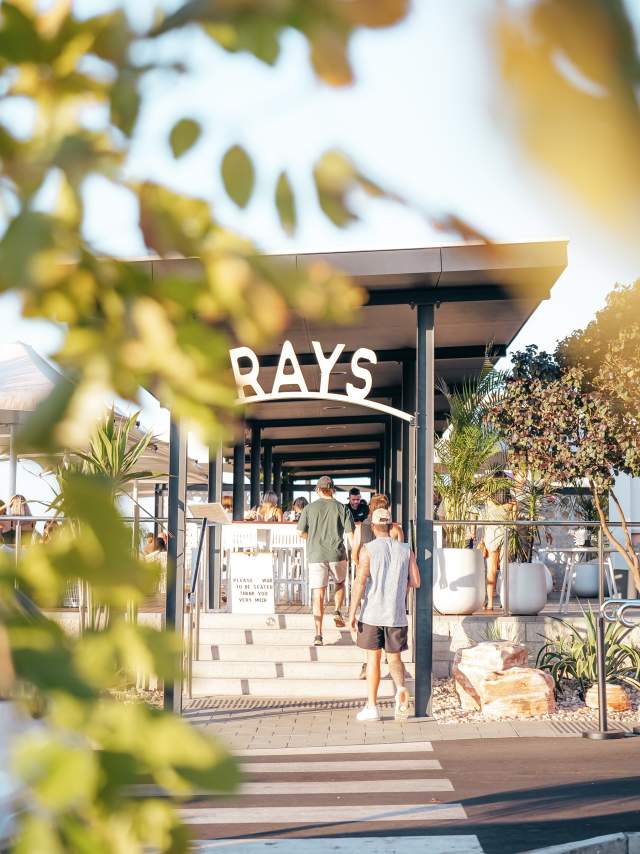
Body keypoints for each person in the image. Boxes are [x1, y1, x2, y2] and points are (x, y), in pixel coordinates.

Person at [348, 507, 420, 722]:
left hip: (372, 613)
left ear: (372, 526)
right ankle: (400, 689)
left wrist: (352, 612)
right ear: (391, 526)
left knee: (373, 660)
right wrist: (401, 588)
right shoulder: (406, 549)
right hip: (396, 614)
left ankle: (372, 706)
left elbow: (360, 582)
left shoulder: (368, 550)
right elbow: (416, 581)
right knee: (394, 658)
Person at [352, 493, 405, 679]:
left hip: (369, 583)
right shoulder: (396, 529)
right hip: (392, 587)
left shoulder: (361, 528)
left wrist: (363, 569)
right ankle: (396, 679)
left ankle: (368, 665)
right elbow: (401, 556)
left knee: (369, 623)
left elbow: (354, 553)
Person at [297, 475, 354, 645]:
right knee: (340, 582)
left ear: (318, 489)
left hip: (316, 555)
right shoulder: (342, 508)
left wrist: (312, 537)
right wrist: (356, 555)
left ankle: (318, 635)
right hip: (337, 554)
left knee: (318, 594)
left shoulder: (309, 509)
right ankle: (337, 610)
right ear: (333, 489)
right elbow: (351, 535)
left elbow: (300, 533)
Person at [480, 484, 515, 610]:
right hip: (505, 535)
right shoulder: (512, 503)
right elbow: (514, 522)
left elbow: (485, 522)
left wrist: (483, 540)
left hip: (491, 536)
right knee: (506, 570)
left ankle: (490, 603)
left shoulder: (488, 502)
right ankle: (505, 602)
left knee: (491, 571)